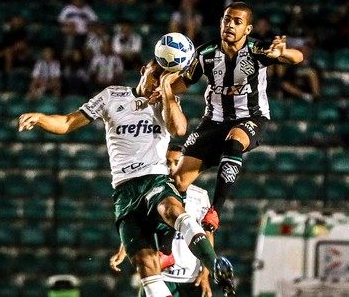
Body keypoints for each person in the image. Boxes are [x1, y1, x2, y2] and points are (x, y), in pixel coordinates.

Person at [18, 60, 235, 297]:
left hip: (155, 180)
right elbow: (69, 122)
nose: (161, 77)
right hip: (124, 192)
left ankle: (215, 265)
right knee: (145, 266)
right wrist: (40, 118)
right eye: (158, 72)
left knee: (172, 210)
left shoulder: (166, 102)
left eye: (168, 75)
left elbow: (180, 130)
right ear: (144, 70)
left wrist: (167, 91)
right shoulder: (112, 96)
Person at [158, 1, 303, 232]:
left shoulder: (257, 51)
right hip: (213, 121)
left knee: (234, 140)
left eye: (238, 22)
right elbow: (185, 82)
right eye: (227, 20)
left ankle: (215, 210)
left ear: (247, 29)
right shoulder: (205, 53)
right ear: (220, 23)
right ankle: (168, 248)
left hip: (251, 117)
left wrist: (283, 53)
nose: (230, 25)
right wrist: (162, 89)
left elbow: (297, 58)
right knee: (178, 181)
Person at [110, 144, 213, 297]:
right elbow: (137, 226)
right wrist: (123, 251)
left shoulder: (200, 196)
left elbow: (207, 234)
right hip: (159, 276)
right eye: (167, 162)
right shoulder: (151, 194)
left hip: (190, 278)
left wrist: (205, 274)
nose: (172, 168)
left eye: (177, 162)